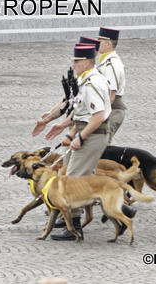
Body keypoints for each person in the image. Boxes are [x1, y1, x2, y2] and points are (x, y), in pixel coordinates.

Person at [47, 44, 113, 241]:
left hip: (92, 135)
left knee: (73, 181)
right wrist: (64, 127)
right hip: (88, 132)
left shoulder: (92, 83)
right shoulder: (86, 80)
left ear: (86, 62)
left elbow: (98, 116)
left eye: (76, 61)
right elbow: (80, 112)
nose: (73, 64)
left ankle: (74, 227)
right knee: (85, 178)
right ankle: (121, 208)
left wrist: (80, 137)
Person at [95, 27, 126, 143]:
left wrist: (99, 118)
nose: (97, 44)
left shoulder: (111, 64)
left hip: (112, 111)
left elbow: (111, 96)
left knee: (101, 148)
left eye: (100, 41)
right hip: (109, 110)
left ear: (108, 44)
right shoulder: (106, 62)